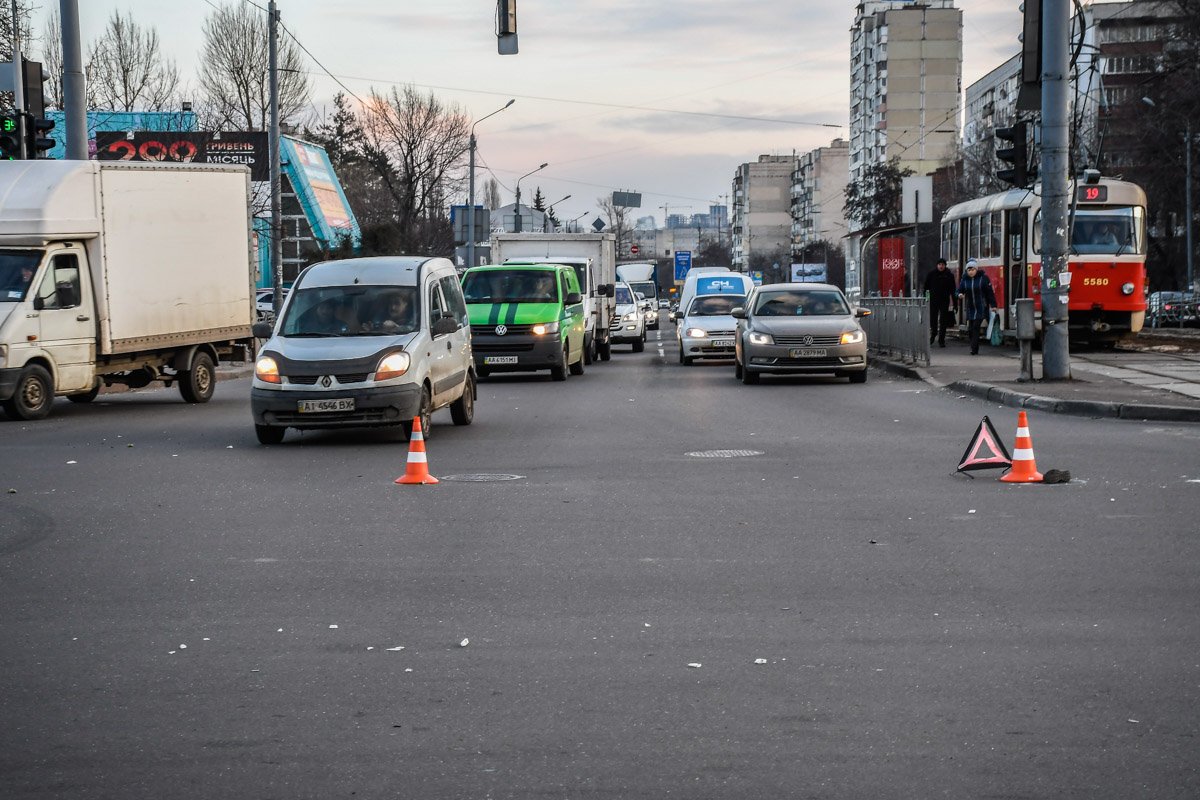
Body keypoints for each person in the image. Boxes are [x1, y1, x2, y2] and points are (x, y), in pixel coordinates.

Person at [957, 259, 998, 355]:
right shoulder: (964, 279)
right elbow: (959, 290)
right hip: (970, 307)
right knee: (970, 329)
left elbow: (989, 293)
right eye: (969, 270)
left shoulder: (983, 278)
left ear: (976, 269)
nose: (971, 272)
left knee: (976, 327)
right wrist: (959, 294)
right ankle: (974, 346)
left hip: (981, 307)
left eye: (973, 270)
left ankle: (974, 349)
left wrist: (993, 305)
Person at [923, 258, 958, 348]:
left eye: (942, 265)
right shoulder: (931, 274)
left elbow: (953, 290)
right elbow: (926, 288)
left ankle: (941, 339)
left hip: (944, 301)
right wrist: (926, 299)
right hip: (933, 301)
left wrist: (955, 304)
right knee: (933, 319)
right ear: (937, 265)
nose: (941, 266)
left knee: (943, 321)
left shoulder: (949, 275)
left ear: (945, 265)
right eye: (939, 264)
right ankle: (933, 334)